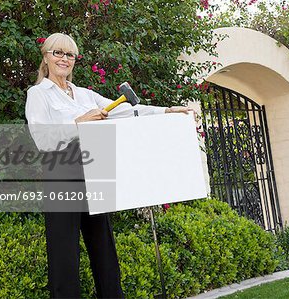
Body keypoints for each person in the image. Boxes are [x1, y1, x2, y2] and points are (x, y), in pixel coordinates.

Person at [25, 32, 191, 299]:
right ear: (46, 57)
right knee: (64, 255)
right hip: (60, 173)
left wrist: (165, 111)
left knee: (104, 250)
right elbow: (42, 139)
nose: (64, 59)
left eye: (70, 55)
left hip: (93, 171)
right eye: (58, 53)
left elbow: (125, 110)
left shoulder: (85, 95)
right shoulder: (38, 94)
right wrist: (79, 123)